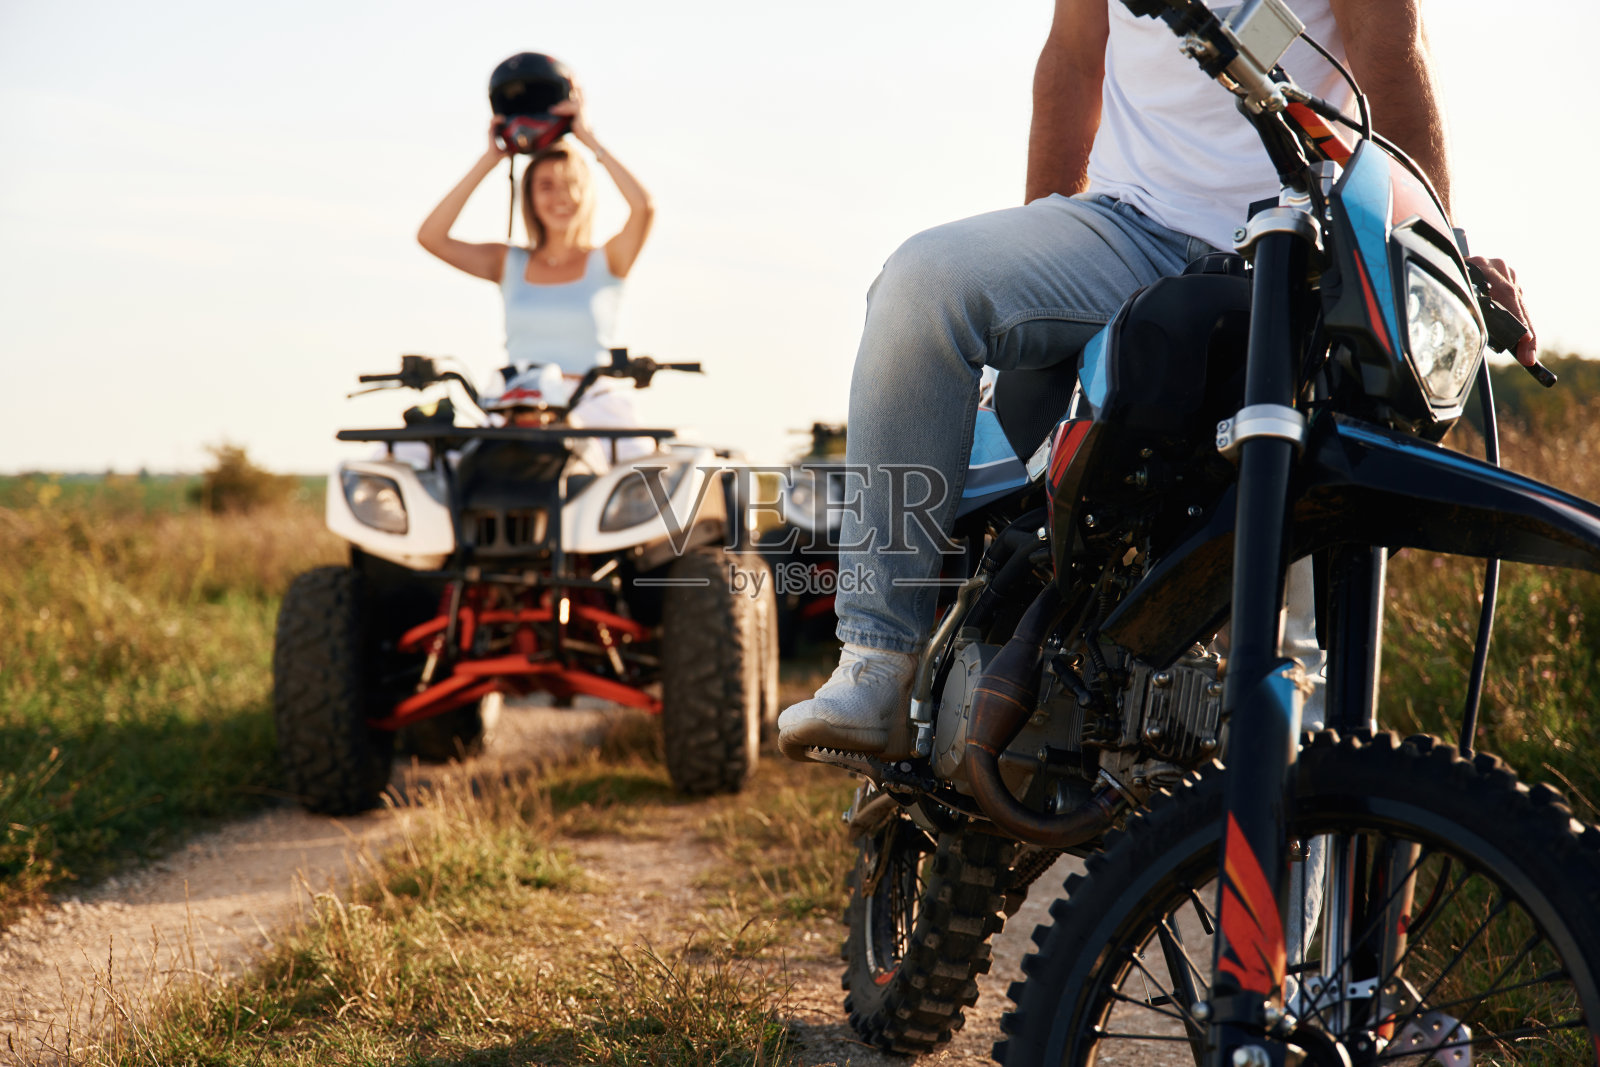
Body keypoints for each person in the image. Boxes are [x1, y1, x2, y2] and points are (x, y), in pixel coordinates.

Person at [777, 0, 1537, 759]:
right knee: (922, 287)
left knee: (1298, 677)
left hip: (1307, 249)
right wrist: (1040, 257)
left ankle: (1287, 779)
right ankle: (879, 658)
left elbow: (1393, 51)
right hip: (1127, 227)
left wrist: (1437, 247)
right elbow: (1075, 56)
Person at [416, 77, 656, 457]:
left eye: (571, 184)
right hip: (517, 406)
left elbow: (643, 207)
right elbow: (431, 237)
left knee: (645, 478)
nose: (562, 196)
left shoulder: (608, 260)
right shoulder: (508, 262)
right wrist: (490, 159)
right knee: (421, 463)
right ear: (528, 196)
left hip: (596, 407)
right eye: (547, 186)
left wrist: (587, 137)